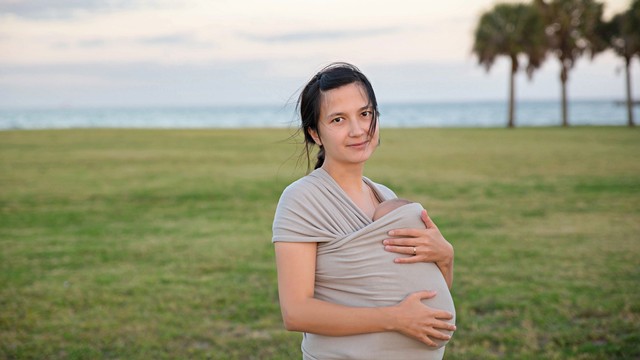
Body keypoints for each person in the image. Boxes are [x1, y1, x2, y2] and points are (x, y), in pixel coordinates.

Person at [272, 62, 456, 359]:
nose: (357, 130)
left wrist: (445, 258)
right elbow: (296, 312)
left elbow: (421, 290)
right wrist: (394, 318)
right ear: (315, 134)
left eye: (365, 114)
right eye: (338, 120)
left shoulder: (386, 197)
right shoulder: (302, 199)